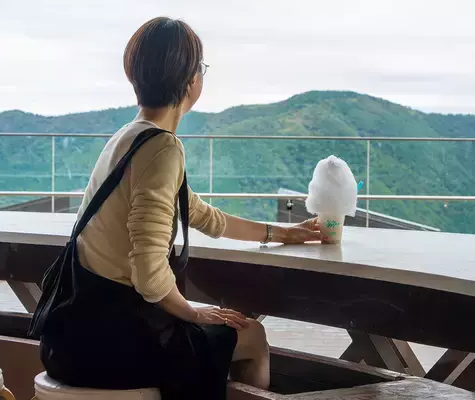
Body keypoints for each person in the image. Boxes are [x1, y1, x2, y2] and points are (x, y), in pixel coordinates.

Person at [36, 17, 322, 399]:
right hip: (109, 345)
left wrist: (280, 232)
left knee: (215, 332)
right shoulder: (162, 148)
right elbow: (149, 273)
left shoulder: (128, 137)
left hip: (71, 334)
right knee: (252, 336)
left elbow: (201, 214)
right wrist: (193, 312)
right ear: (191, 81)